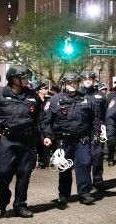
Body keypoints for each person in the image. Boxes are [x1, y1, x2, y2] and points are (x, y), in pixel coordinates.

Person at [0, 65, 40, 218]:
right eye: (24, 77)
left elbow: (42, 118)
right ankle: (2, 202)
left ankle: (20, 204)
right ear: (14, 79)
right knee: (4, 172)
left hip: (27, 141)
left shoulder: (32, 95)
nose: (27, 80)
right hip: (8, 140)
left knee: (24, 174)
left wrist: (46, 136)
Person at [42, 73, 99, 206]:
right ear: (64, 84)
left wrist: (96, 134)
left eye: (74, 83)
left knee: (84, 165)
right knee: (64, 168)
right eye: (69, 83)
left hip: (82, 140)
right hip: (63, 140)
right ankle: (63, 194)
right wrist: (48, 136)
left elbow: (95, 119)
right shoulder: (54, 100)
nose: (72, 85)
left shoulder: (86, 99)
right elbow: (46, 121)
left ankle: (84, 194)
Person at [79, 71, 107, 189]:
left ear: (94, 80)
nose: (88, 80)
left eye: (90, 78)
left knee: (97, 156)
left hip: (97, 130)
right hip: (82, 130)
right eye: (85, 79)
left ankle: (97, 179)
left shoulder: (101, 95)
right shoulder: (78, 94)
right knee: (84, 158)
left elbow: (105, 113)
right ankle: (86, 182)